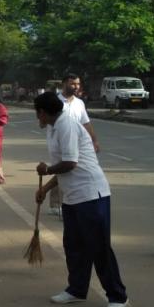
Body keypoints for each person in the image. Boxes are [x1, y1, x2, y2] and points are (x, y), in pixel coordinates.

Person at [33, 91, 128, 307]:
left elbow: (70, 163)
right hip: (72, 196)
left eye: (38, 114)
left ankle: (117, 296)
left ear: (43, 112)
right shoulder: (53, 127)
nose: (38, 119)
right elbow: (63, 165)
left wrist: (46, 170)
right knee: (74, 245)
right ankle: (76, 289)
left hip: (91, 194)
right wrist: (45, 189)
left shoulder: (66, 125)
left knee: (99, 247)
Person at [48, 73, 99, 216]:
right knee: (60, 171)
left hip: (78, 143)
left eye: (77, 84)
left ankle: (71, 203)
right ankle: (56, 204)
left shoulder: (79, 103)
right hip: (59, 143)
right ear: (64, 84)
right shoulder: (54, 101)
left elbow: (86, 123)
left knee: (73, 172)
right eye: (72, 83)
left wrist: (94, 140)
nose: (76, 86)